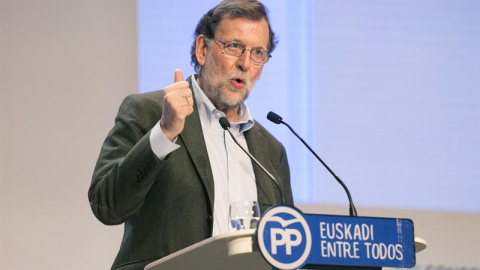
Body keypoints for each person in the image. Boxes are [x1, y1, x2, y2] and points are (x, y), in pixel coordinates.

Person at [88, 0, 294, 269]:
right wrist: (163, 134)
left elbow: (288, 246)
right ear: (202, 49)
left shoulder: (271, 151)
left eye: (258, 53)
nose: (245, 63)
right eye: (234, 46)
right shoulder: (149, 112)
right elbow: (107, 206)